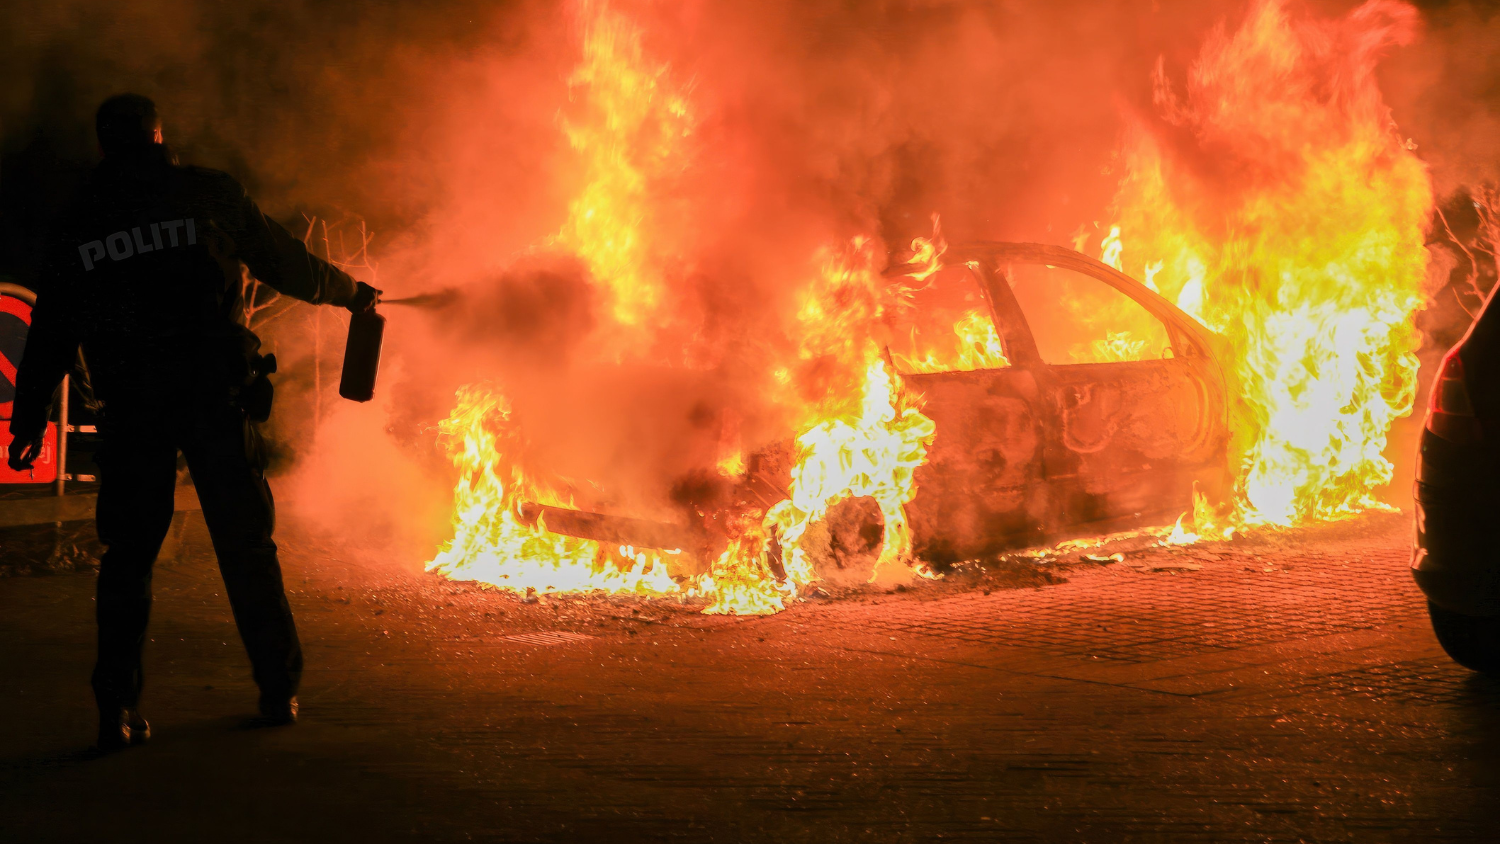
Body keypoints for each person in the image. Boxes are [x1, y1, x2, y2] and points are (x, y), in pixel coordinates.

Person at [6, 93, 380, 752]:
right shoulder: (208, 193)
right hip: (213, 398)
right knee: (247, 547)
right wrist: (351, 292)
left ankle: (116, 708)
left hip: (131, 408)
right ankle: (277, 690)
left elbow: (54, 326)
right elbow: (284, 262)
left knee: (128, 558)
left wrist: (31, 415)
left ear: (104, 145)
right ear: (159, 138)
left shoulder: (81, 215)